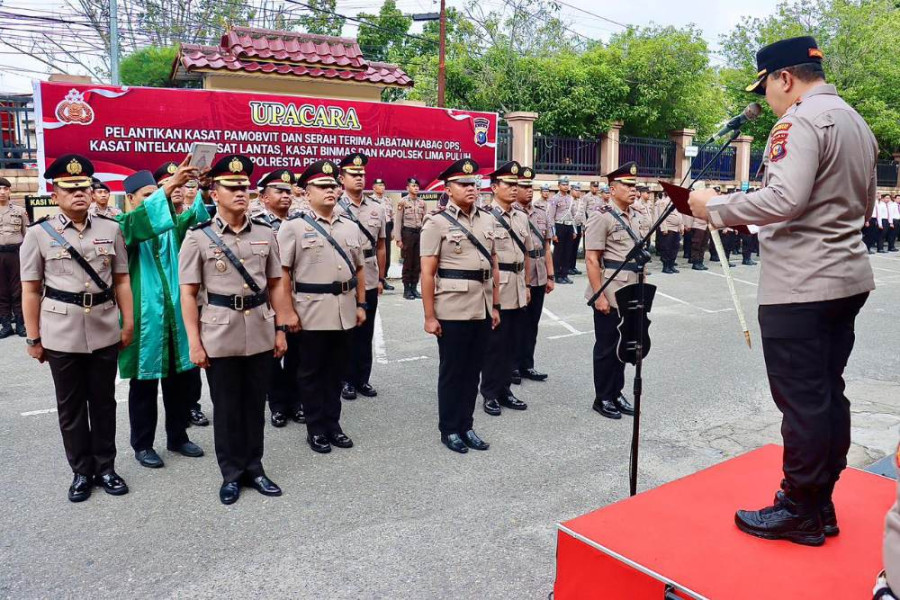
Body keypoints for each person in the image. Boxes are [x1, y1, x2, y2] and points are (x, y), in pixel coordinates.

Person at [689, 36, 877, 546]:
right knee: (826, 394)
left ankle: (799, 508)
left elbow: (785, 197)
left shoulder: (798, 120)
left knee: (801, 402)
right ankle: (820, 502)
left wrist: (714, 208)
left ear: (784, 78)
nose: (768, 98)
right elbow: (862, 206)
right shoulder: (854, 121)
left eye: (767, 87)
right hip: (846, 276)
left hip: (801, 285)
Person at [179, 154, 293, 505]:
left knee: (255, 404)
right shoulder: (198, 237)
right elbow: (188, 294)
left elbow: (276, 284)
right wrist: (194, 343)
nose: (241, 192)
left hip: (259, 328)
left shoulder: (264, 233)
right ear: (214, 192)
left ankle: (255, 468)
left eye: (245, 186)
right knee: (227, 407)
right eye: (232, 187)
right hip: (219, 331)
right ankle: (231, 474)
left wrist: (280, 329)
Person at [20, 155, 134, 502]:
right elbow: (30, 289)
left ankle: (106, 468)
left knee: (103, 403)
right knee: (70, 407)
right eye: (70, 189)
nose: (80, 193)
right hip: (60, 329)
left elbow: (122, 280)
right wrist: (33, 337)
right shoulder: (39, 234)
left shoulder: (110, 228)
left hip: (102, 325)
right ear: (55, 193)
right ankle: (82, 472)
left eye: (84, 187)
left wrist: (127, 323)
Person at [118, 160, 210, 470]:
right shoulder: (123, 226)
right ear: (130, 199)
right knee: (143, 386)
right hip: (145, 320)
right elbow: (138, 227)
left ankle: (178, 436)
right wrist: (169, 185)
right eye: (146, 195)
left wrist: (202, 189)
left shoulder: (170, 226)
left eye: (155, 193)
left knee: (179, 381)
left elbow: (196, 222)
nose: (154, 198)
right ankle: (142, 445)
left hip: (175, 316)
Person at [278, 159, 366, 455]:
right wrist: (287, 312)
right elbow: (282, 274)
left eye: (333, 185)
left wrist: (361, 303)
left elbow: (360, 269)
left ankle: (334, 424)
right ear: (306, 192)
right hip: (310, 310)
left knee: (336, 372)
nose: (330, 190)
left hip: (344, 309)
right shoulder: (293, 227)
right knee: (311, 372)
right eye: (322, 186)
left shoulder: (350, 226)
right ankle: (316, 428)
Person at [420, 158, 500, 454]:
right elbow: (427, 272)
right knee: (453, 371)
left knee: (473, 371)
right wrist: (429, 316)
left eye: (473, 184)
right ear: (448, 188)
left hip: (480, 304)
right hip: (452, 307)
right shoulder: (436, 222)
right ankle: (449, 428)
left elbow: (493, 265)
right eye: (463, 184)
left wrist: (495, 306)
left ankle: (467, 425)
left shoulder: (487, 219)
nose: (470, 189)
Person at [584, 162, 639, 420]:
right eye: (627, 185)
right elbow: (592, 259)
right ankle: (603, 397)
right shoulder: (601, 217)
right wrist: (599, 295)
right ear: (613, 188)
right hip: (610, 289)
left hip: (632, 291)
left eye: (634, 186)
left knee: (623, 346)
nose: (633, 190)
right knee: (606, 348)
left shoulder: (635, 216)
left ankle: (617, 392)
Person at [252, 169, 304, 428]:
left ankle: (295, 401)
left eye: (287, 191)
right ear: (263, 197)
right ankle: (277, 404)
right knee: (273, 353)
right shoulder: (255, 222)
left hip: (298, 296)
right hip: (268, 296)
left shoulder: (300, 220)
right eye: (279, 191)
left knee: (296, 352)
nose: (286, 195)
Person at [480, 161, 532, 416]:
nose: (514, 189)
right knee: (495, 344)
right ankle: (489, 393)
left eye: (516, 184)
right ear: (494, 187)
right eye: (509, 184)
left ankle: (505, 390)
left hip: (519, 285)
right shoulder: (484, 216)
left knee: (512, 343)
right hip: (497, 287)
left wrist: (529, 284)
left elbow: (528, 254)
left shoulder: (522, 216)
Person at [336, 153, 386, 400]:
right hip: (344, 276)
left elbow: (381, 246)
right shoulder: (334, 206)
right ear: (341, 178)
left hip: (369, 274)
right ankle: (344, 379)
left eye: (362, 174)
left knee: (366, 332)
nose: (359, 178)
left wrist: (381, 278)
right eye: (354, 175)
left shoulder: (377, 208)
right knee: (347, 331)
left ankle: (362, 379)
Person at [515, 166, 554, 381]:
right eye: (523, 186)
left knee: (532, 323)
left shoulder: (541, 212)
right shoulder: (511, 213)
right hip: (519, 275)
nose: (528, 191)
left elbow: (547, 246)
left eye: (530, 187)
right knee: (515, 323)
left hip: (539, 273)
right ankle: (511, 366)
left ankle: (527, 364)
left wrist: (550, 275)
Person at [0, 176, 28, 338]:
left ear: (10, 191)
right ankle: (5, 325)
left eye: (5, 189)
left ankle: (20, 324)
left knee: (18, 290)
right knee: (1, 290)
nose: (2, 192)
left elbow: (27, 234)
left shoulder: (19, 211)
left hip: (16, 254)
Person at [395, 177, 427, 300]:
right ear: (408, 188)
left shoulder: (422, 203)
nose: (416, 188)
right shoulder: (403, 202)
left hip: (419, 234)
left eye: (417, 186)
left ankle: (414, 288)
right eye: (413, 186)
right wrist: (398, 238)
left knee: (417, 263)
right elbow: (398, 221)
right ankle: (406, 289)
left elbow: (425, 221)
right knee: (408, 262)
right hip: (407, 234)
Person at [548, 176, 575, 284]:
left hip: (568, 226)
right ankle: (556, 275)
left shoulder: (570, 198)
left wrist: (574, 231)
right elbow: (551, 216)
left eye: (567, 184)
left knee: (568, 252)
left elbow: (573, 215)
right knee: (558, 252)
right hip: (559, 226)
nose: (566, 186)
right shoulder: (554, 199)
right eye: (563, 184)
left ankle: (565, 274)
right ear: (559, 186)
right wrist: (553, 233)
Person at [372, 178, 395, 290]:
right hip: (375, 227)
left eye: (383, 185)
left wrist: (393, 231)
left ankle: (383, 278)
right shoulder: (370, 200)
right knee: (375, 254)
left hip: (387, 226)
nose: (382, 187)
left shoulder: (388, 200)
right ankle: (375, 279)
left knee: (386, 254)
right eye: (379, 185)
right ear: (374, 187)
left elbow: (392, 215)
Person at [656, 193, 684, 274]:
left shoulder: (676, 202)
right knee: (667, 248)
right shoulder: (664, 202)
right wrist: (664, 228)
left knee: (675, 247)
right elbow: (661, 216)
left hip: (676, 228)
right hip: (668, 228)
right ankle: (666, 266)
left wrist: (681, 226)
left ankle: (671, 265)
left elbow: (680, 215)